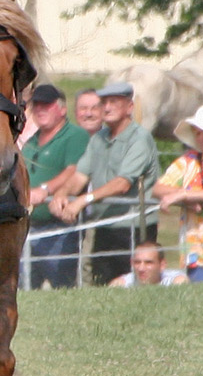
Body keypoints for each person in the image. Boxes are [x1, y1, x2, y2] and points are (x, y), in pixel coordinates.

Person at [47, 80, 159, 285]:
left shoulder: (140, 139)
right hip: (104, 225)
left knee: (134, 286)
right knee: (101, 284)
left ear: (129, 107)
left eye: (114, 102)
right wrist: (61, 194)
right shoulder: (99, 138)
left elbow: (122, 183)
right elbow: (80, 175)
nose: (107, 108)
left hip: (133, 226)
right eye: (104, 102)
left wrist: (83, 200)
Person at [20, 84, 91, 289]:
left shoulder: (75, 135)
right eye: (36, 105)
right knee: (25, 288)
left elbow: (73, 170)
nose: (40, 109)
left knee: (62, 285)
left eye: (47, 105)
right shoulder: (31, 141)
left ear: (62, 109)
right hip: (29, 226)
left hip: (59, 227)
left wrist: (45, 190)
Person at [153, 104, 203, 282]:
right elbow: (157, 188)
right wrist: (184, 194)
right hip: (195, 249)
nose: (202, 138)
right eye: (198, 133)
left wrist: (188, 195)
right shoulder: (188, 161)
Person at [110, 242, 188, 287]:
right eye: (137, 262)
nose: (141, 268)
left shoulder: (174, 281)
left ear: (162, 265)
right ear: (131, 263)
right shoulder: (121, 284)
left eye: (148, 263)